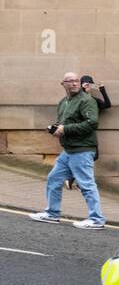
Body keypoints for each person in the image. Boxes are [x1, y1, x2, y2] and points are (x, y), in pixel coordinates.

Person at [29, 71, 105, 229]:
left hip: (82, 150)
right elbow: (63, 122)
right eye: (70, 81)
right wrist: (56, 129)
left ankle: (97, 220)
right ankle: (52, 214)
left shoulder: (87, 100)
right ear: (63, 84)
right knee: (54, 179)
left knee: (86, 184)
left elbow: (92, 123)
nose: (75, 83)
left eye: (76, 80)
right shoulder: (63, 102)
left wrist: (65, 129)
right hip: (69, 151)